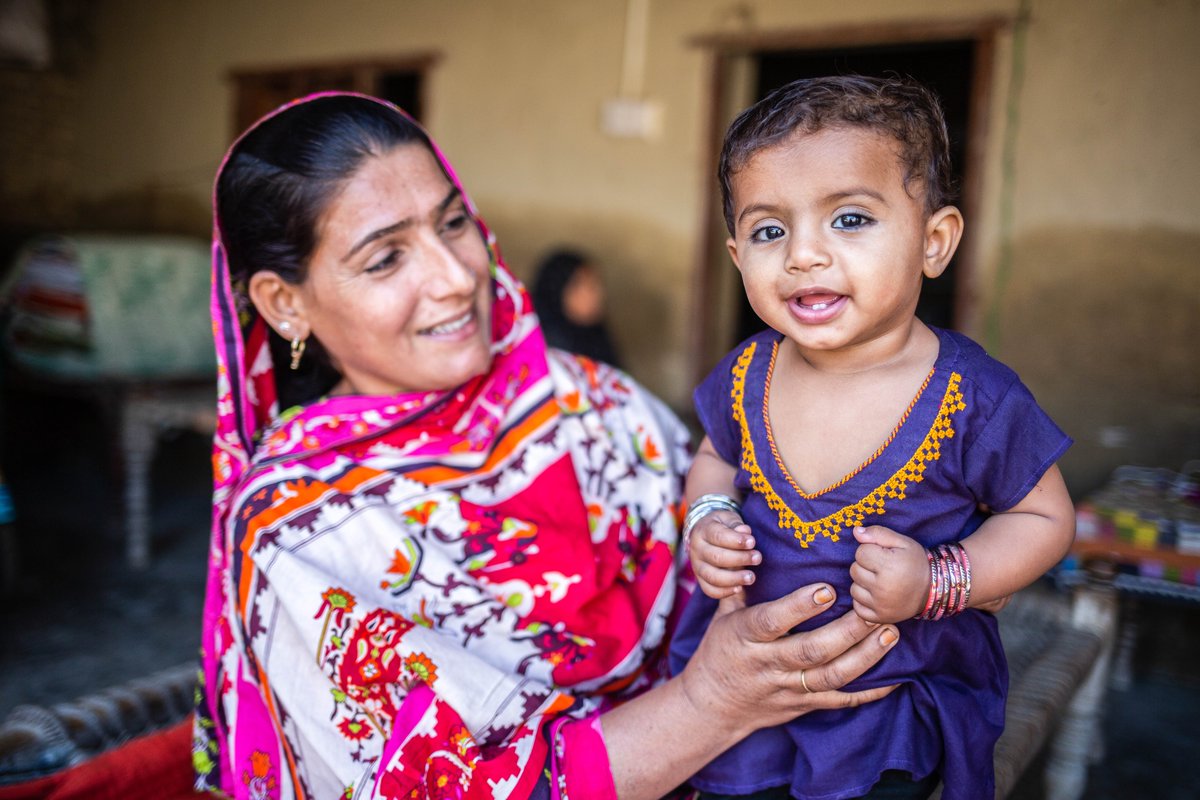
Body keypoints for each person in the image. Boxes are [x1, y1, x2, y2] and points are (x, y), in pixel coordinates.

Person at [193, 92, 905, 800]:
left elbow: (742, 539)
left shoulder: (591, 398)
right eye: (385, 260)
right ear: (285, 302)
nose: (454, 277)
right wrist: (710, 704)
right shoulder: (296, 524)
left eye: (453, 223)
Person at [669, 76, 1076, 800]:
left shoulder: (974, 397)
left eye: (849, 219)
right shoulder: (746, 373)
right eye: (770, 231)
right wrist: (709, 518)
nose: (803, 255)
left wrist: (942, 579)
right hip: (747, 689)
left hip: (891, 699)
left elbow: (1044, 519)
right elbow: (712, 460)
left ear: (934, 240)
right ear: (738, 259)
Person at [530, 248, 623, 367]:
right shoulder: (545, 350)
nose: (598, 294)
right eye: (588, 287)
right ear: (558, 293)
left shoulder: (598, 341)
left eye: (597, 285)